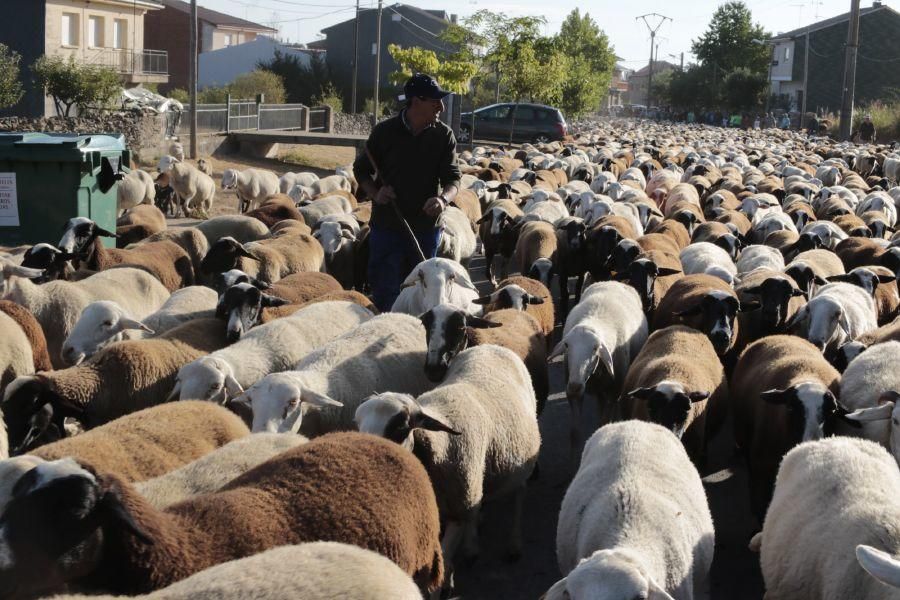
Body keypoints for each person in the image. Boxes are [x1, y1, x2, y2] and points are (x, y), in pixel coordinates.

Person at [353, 73, 461, 312]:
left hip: (425, 227)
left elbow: (454, 178)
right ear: (416, 101)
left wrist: (443, 200)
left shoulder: (444, 136)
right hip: (388, 225)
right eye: (435, 101)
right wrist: (376, 193)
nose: (441, 107)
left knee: (424, 294)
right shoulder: (384, 133)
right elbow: (361, 170)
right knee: (385, 291)